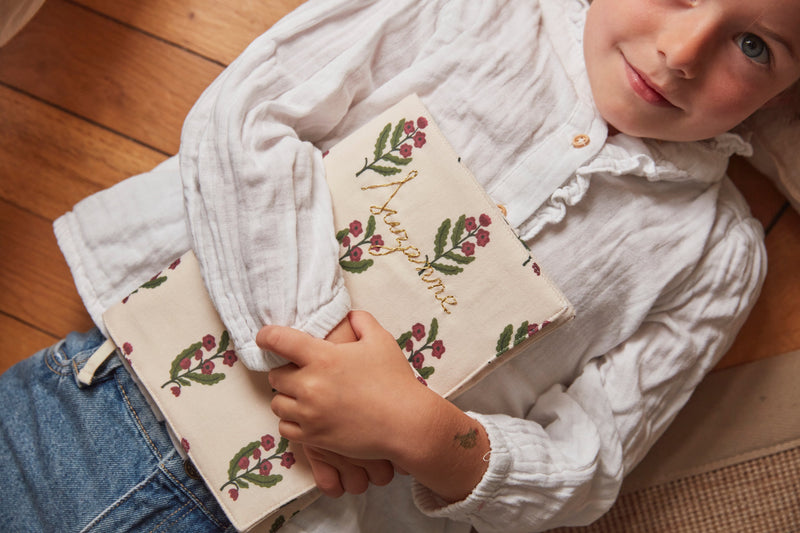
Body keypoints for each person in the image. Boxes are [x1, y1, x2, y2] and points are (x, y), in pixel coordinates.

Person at [1, 0, 798, 532]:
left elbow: (591, 460)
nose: (683, 51)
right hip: (114, 402)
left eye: (755, 46)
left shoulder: (715, 258)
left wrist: (424, 434)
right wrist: (315, 346)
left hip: (320, 517)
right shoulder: (472, 11)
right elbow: (248, 117)